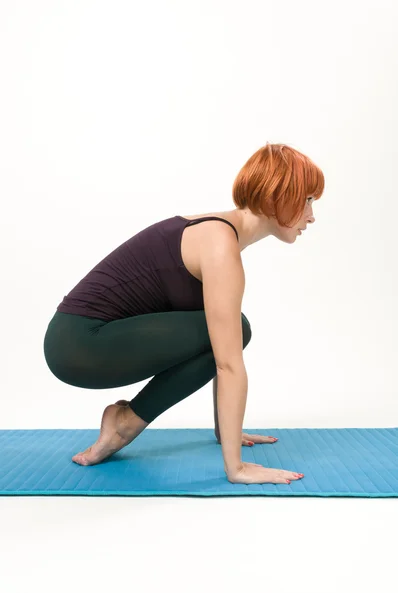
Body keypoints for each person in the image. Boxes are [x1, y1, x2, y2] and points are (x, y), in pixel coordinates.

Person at [43, 142, 324, 484]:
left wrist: (227, 432)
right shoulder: (220, 245)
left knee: (233, 329)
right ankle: (125, 422)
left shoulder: (218, 235)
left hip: (82, 340)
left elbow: (218, 345)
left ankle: (126, 421)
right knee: (235, 330)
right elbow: (228, 361)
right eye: (307, 200)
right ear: (277, 195)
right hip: (79, 344)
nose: (312, 216)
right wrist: (235, 467)